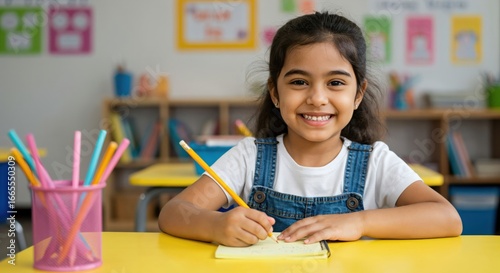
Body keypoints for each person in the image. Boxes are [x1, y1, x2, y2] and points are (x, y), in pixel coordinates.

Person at [158, 11, 462, 246]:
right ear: (275, 93)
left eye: (336, 83)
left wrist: (359, 223)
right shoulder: (250, 156)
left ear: (358, 94)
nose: (317, 98)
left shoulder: (375, 162)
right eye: (299, 82)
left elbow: (447, 218)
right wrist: (214, 226)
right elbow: (173, 212)